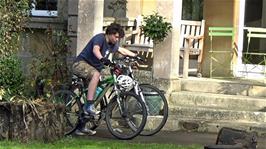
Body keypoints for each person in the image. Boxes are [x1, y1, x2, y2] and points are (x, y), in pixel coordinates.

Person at [72, 23, 138, 136]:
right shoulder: (100, 38)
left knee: (97, 95)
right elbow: (95, 50)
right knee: (96, 76)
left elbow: (122, 50)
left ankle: (81, 127)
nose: (117, 39)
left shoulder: (112, 44)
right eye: (116, 37)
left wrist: (135, 56)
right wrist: (102, 59)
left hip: (92, 69)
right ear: (110, 34)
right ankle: (88, 106)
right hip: (80, 64)